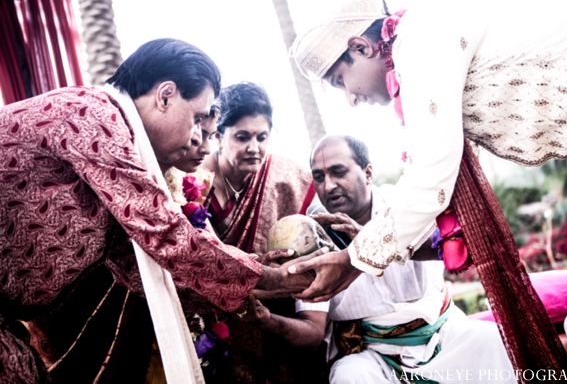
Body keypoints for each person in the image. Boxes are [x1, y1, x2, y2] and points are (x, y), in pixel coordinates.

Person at [288, 0, 567, 376]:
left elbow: (431, 179)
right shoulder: (424, 49)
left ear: (362, 47)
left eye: (340, 79)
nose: (350, 98)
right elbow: (446, 189)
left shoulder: (420, 43)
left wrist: (354, 260)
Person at [0, 38, 313, 383]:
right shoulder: (93, 116)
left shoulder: (119, 144)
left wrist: (256, 279)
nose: (197, 135)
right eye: (196, 118)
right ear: (165, 95)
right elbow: (167, 234)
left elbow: (137, 267)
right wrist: (273, 277)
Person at [306, 135, 515, 383]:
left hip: (443, 335)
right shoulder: (312, 234)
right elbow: (311, 321)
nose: (328, 186)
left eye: (339, 172)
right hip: (374, 356)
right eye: (319, 177)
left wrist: (372, 241)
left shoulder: (403, 204)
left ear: (368, 173)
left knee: (492, 340)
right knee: (348, 376)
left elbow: (451, 246)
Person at [197, 81, 327, 383]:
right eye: (242, 137)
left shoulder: (287, 179)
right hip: (215, 321)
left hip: (278, 321)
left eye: (262, 137)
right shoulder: (193, 182)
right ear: (219, 135)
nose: (254, 148)